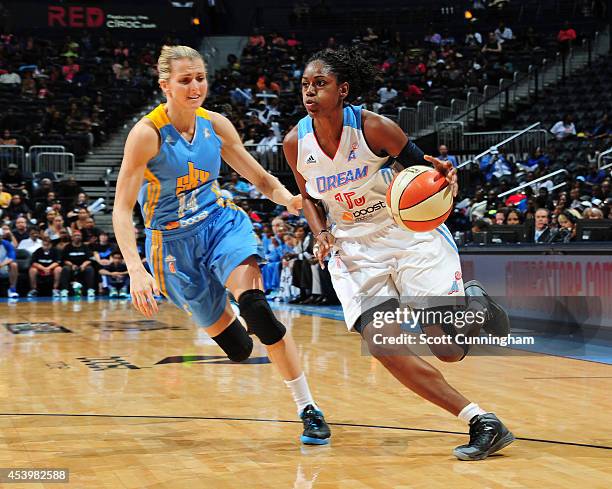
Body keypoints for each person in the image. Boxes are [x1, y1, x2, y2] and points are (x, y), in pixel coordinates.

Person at [284, 47, 514, 461]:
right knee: (384, 345)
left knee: (446, 349)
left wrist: (445, 178)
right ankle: (481, 420)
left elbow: (425, 168)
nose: (310, 92)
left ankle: (477, 305)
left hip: (406, 234)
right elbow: (308, 199)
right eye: (305, 85)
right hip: (354, 247)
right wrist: (320, 234)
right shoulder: (294, 143)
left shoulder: (374, 128)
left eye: (321, 84)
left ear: (343, 90)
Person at [112, 45, 330, 445]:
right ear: (165, 86)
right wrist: (136, 270)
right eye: (185, 80)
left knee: (259, 313)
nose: (195, 86)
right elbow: (122, 211)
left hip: (219, 223)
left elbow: (260, 179)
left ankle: (308, 408)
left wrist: (290, 200)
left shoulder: (217, 125)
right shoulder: (146, 135)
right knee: (238, 348)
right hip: (172, 245)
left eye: (200, 78)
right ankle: (225, 301)